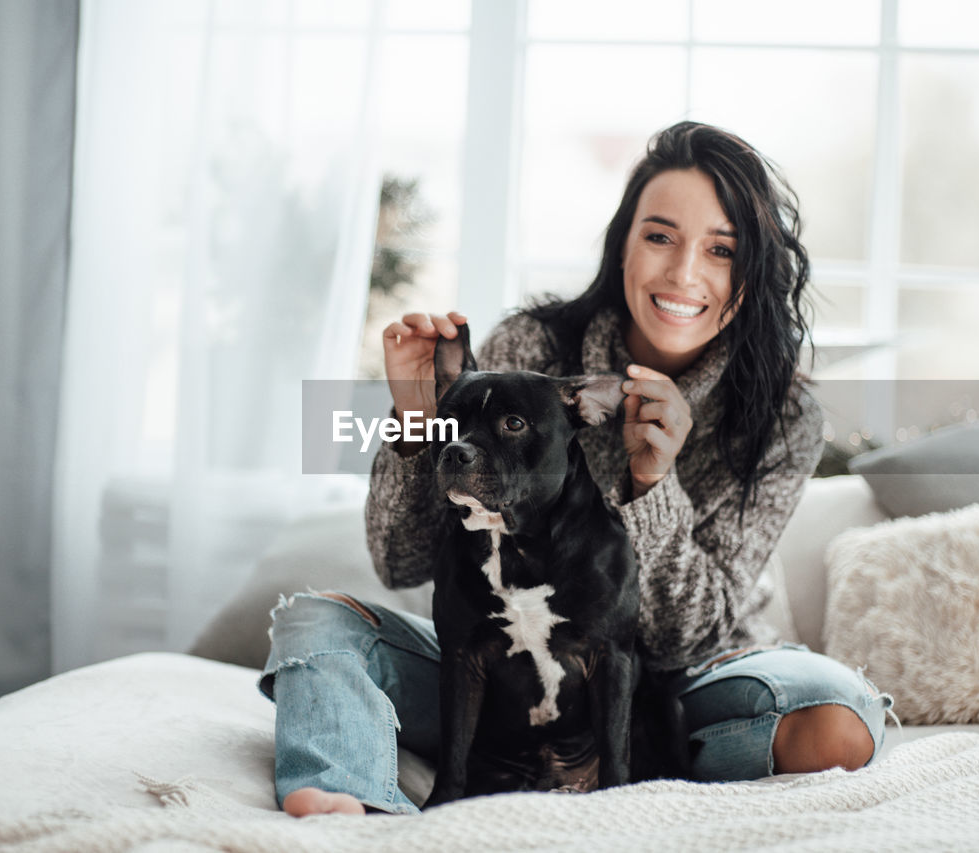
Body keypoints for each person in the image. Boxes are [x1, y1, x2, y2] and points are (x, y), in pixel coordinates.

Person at [260, 121, 893, 817]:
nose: (684, 273)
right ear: (621, 244)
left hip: (670, 690)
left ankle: (636, 778)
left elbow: (684, 637)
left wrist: (651, 485)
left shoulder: (781, 418)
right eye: (659, 236)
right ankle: (344, 806)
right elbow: (401, 560)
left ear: (752, 273)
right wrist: (417, 423)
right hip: (493, 681)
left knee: (838, 715)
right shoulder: (531, 347)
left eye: (722, 250)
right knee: (315, 621)